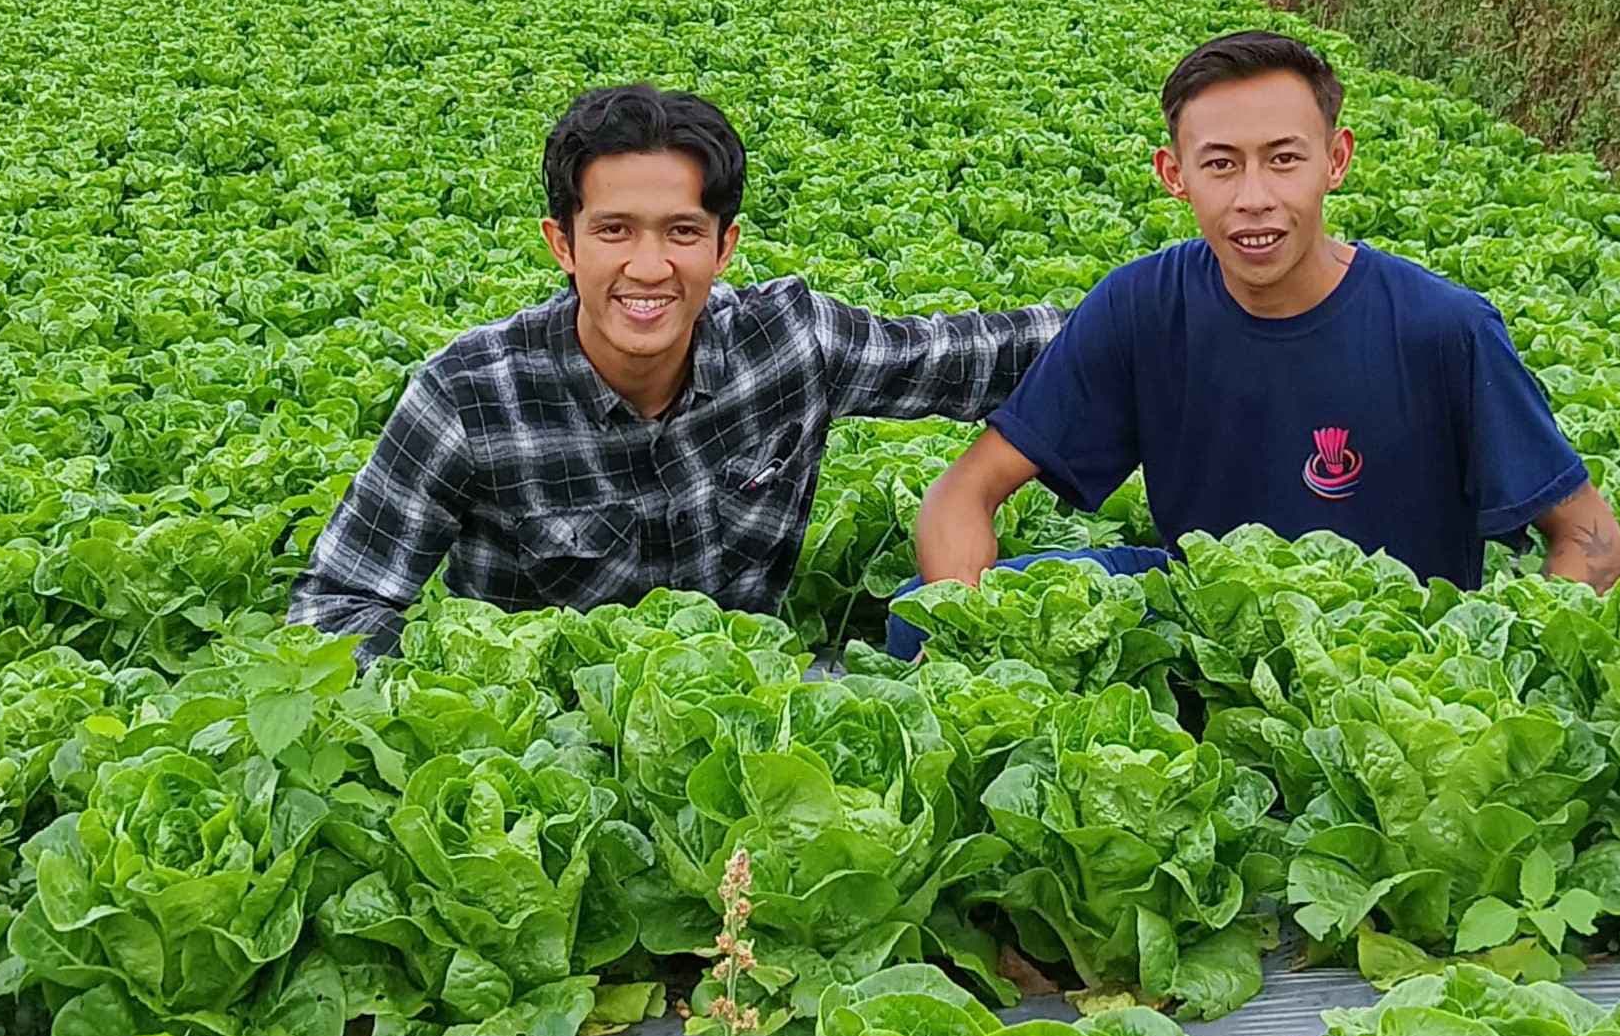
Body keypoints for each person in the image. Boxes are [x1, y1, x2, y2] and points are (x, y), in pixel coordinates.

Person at [289, 83, 1071, 654]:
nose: (649, 266)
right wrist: (445, 714)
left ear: (724, 248)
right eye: (615, 230)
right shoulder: (468, 395)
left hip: (747, 728)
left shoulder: (786, 346)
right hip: (546, 752)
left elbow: (981, 356)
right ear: (563, 244)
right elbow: (341, 599)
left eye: (682, 233)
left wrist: (1177, 304)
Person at [909, 29, 1620, 627]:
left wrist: (1494, 658)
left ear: (1335, 160)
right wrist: (967, 632)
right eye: (1220, 165)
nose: (1254, 199)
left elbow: (1590, 540)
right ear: (1173, 174)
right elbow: (961, 494)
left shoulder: (1442, 329)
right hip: (1205, 622)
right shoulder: (1143, 306)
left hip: (1386, 644)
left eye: (1284, 160)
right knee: (918, 614)